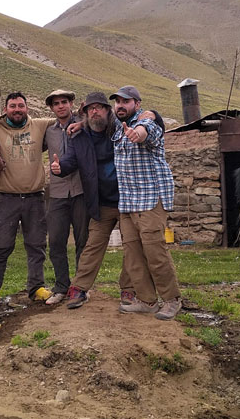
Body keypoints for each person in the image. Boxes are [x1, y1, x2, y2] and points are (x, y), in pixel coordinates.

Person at [50, 92, 162, 310]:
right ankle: (79, 288)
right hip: (101, 202)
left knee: (131, 248)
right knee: (92, 246)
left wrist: (152, 113)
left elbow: (151, 120)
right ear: (84, 113)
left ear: (107, 110)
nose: (95, 111)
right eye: (90, 108)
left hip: (127, 202)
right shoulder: (79, 136)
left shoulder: (119, 129)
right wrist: (59, 168)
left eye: (99, 107)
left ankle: (128, 290)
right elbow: (70, 161)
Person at [110, 85, 182, 320]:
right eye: (117, 102)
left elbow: (146, 131)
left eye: (126, 101)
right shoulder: (118, 130)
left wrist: (138, 132)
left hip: (150, 200)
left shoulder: (147, 123)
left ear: (137, 104)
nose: (120, 105)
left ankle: (171, 300)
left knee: (155, 252)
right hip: (128, 202)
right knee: (133, 254)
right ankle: (147, 300)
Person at [0, 92, 53, 307]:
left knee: (36, 244)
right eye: (12, 106)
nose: (17, 110)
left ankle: (36, 287)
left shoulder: (40, 125)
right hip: (6, 197)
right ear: (6, 109)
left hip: (35, 198)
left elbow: (67, 116)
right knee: (0, 245)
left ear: (27, 108)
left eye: (21, 106)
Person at [42, 89, 88, 305]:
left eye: (64, 102)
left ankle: (80, 288)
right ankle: (61, 287)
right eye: (56, 103)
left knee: (82, 241)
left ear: (71, 103)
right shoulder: (48, 131)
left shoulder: (83, 124)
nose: (61, 106)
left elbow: (104, 120)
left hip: (81, 190)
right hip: (58, 192)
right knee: (57, 241)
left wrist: (84, 117)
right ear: (51, 108)